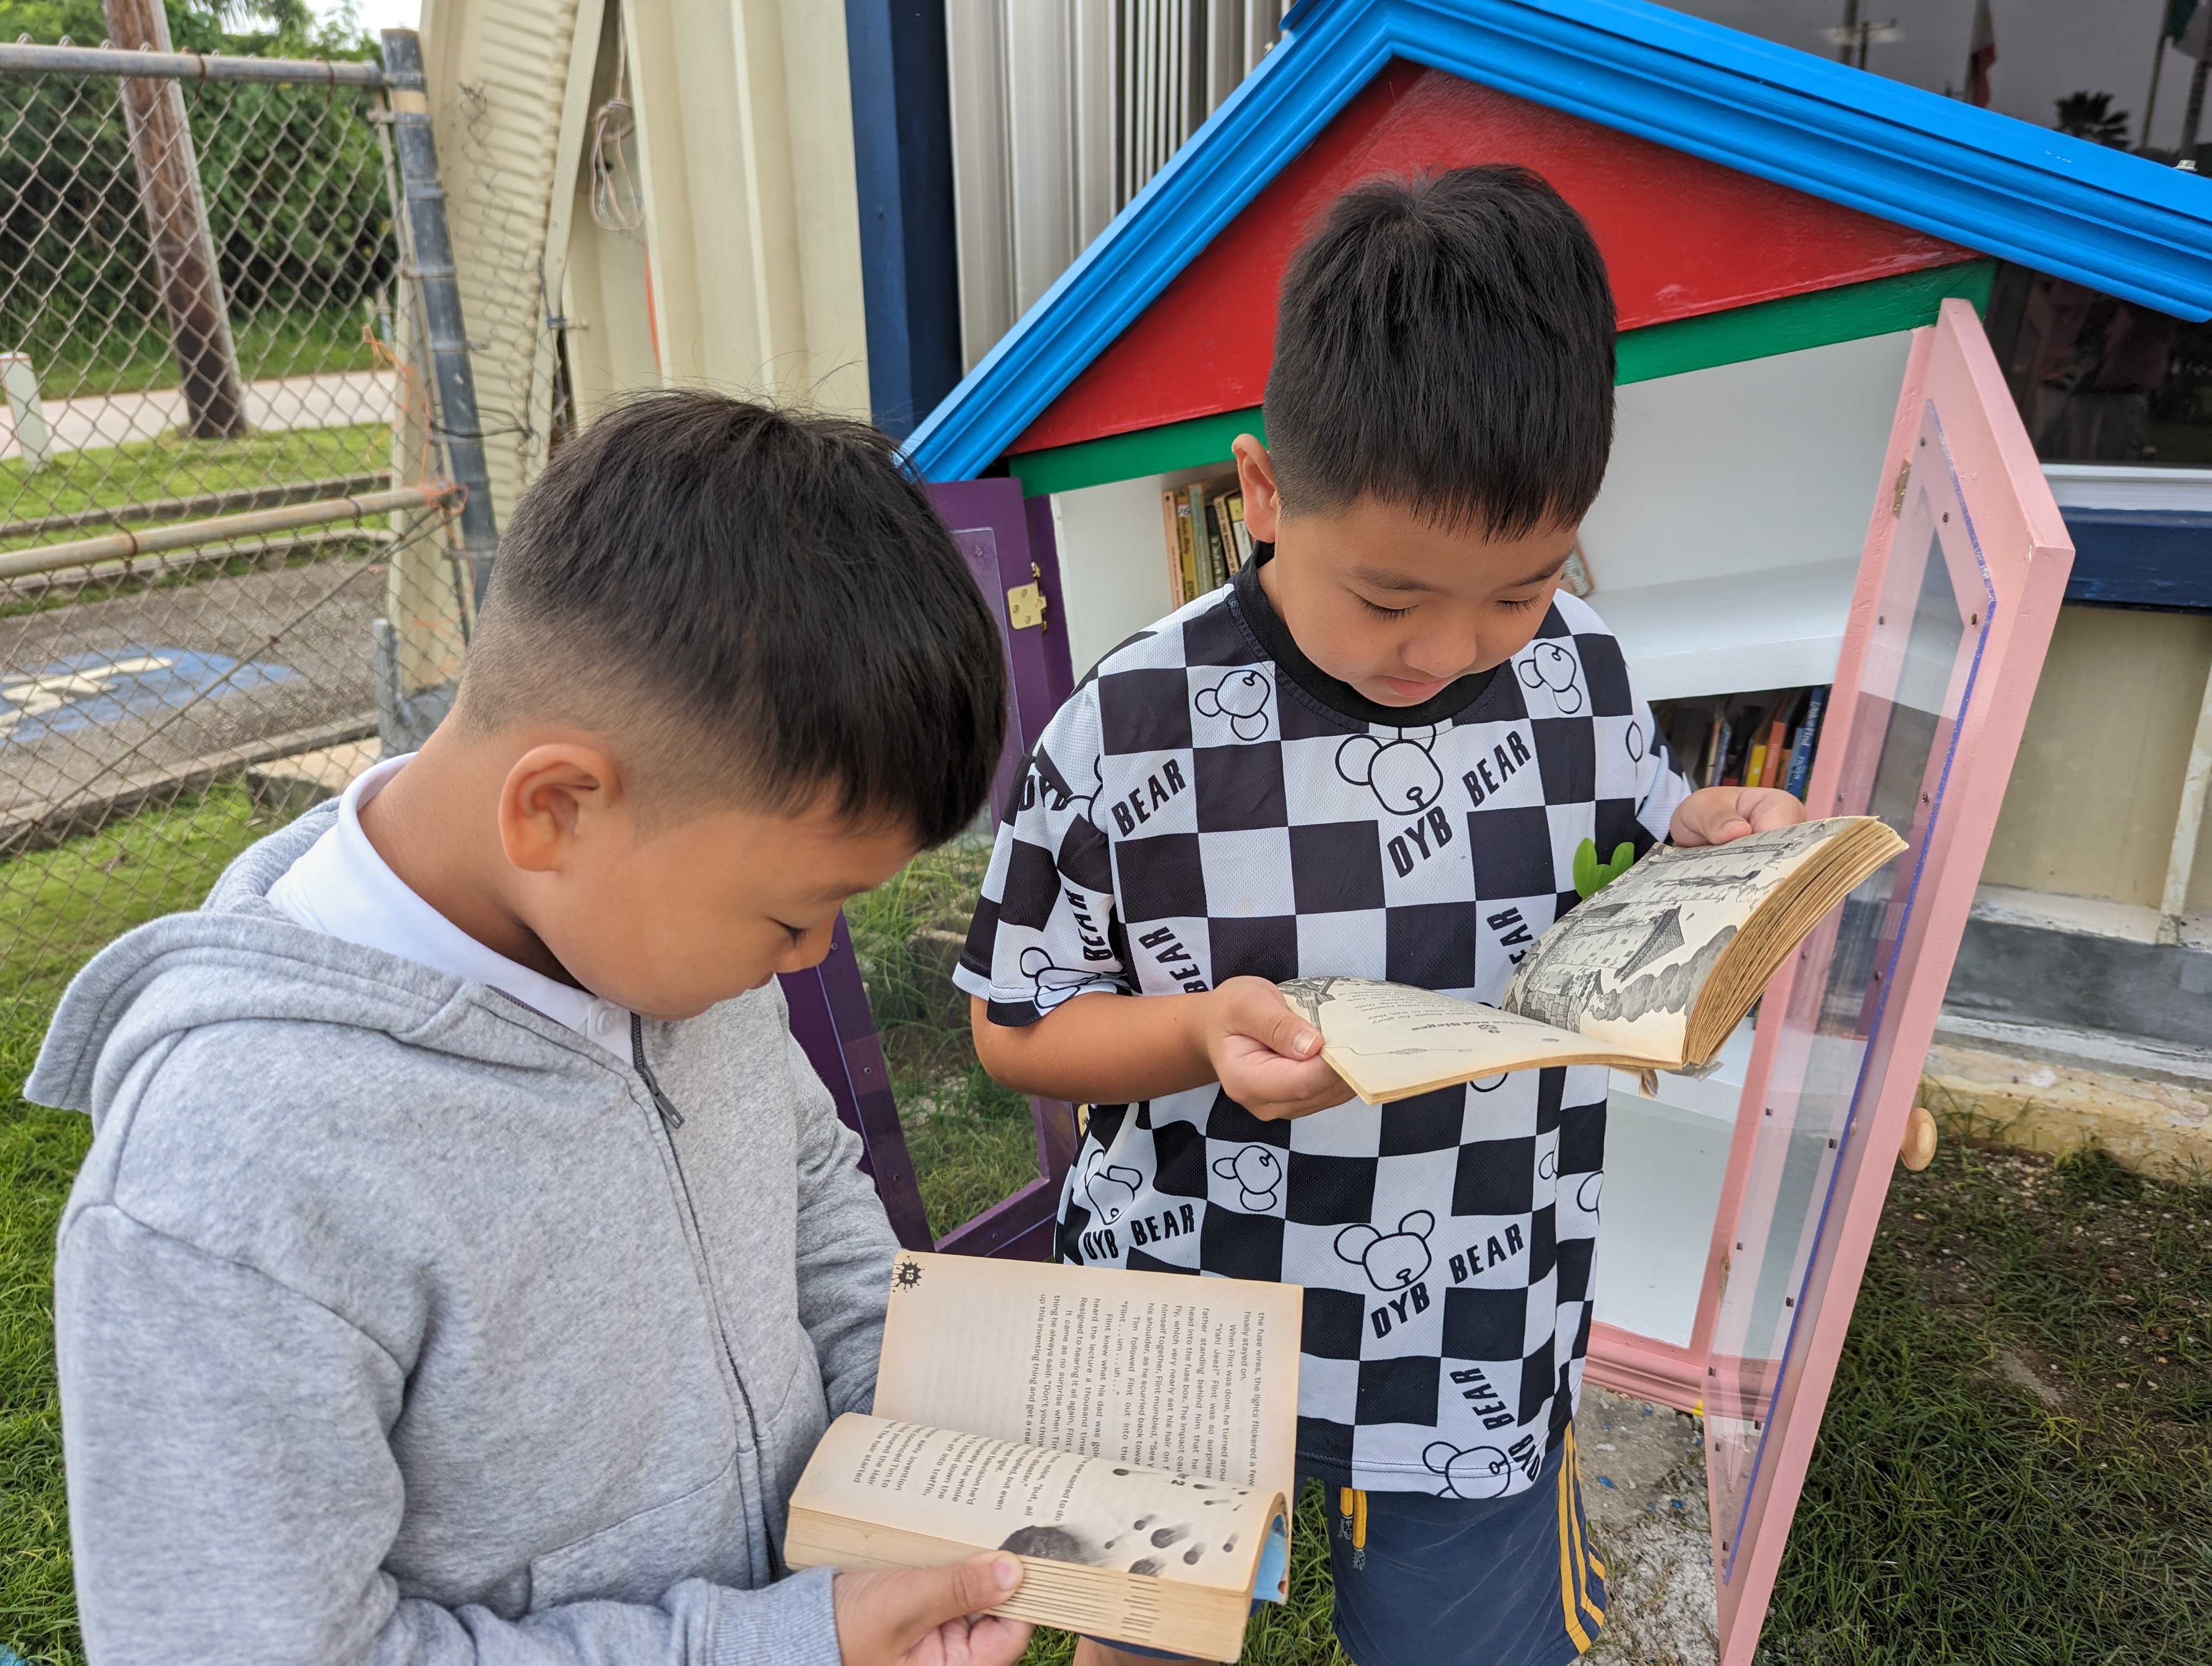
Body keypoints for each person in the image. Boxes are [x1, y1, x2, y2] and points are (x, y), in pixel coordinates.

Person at [33, 394, 1036, 1666]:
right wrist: (788, 1645)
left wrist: (917, 1435)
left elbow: (806, 1185)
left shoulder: (659, 938)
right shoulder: (228, 1184)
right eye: (794, 915)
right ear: (556, 809)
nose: (812, 956)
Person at [958, 167, 1805, 1666]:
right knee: (1146, 1634)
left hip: (1478, 1314)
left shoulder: (1582, 674)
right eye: (1393, 596)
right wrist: (1195, 1035)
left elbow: (1622, 826)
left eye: (1518, 589)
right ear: (1264, 494)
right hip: (1197, 1302)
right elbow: (1015, 1027)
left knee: (1469, 1643)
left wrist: (1699, 832)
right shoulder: (1137, 726)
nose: (1451, 650)